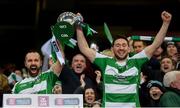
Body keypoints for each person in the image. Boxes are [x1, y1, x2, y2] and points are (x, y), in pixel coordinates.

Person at [76, 11, 172, 107]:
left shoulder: (136, 61)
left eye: (124, 45)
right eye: (117, 45)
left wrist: (166, 23)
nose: (121, 48)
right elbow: (84, 48)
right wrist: (78, 26)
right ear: (112, 49)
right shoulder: (104, 61)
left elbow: (156, 44)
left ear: (129, 48)